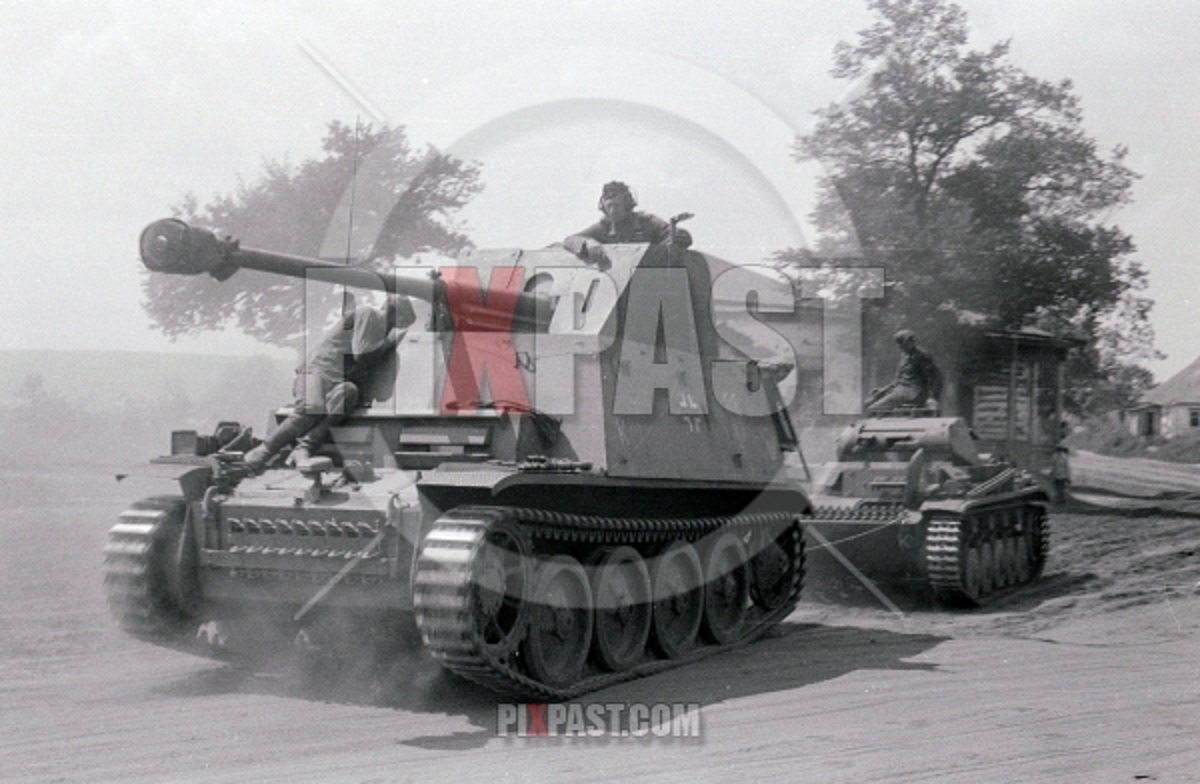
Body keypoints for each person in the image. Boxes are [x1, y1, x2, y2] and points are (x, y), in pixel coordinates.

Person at [244, 294, 415, 472]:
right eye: (399, 322)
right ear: (394, 313)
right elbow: (361, 353)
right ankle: (263, 451)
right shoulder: (369, 314)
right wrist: (388, 343)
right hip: (319, 369)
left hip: (338, 378)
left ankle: (304, 448)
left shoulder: (380, 331)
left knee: (349, 393)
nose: (396, 327)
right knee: (311, 408)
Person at [563, 181, 692, 263]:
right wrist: (588, 243)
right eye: (609, 206)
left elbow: (682, 237)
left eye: (617, 205)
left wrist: (670, 240)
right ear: (603, 206)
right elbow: (570, 239)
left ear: (627, 203)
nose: (613, 211)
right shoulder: (604, 227)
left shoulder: (646, 222)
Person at [867, 329, 943, 413]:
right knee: (868, 403)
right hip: (901, 391)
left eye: (904, 344)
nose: (901, 348)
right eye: (900, 345)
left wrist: (932, 398)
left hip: (914, 393)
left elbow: (936, 377)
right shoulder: (905, 356)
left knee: (873, 409)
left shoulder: (922, 356)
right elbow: (898, 381)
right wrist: (883, 390)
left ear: (911, 342)